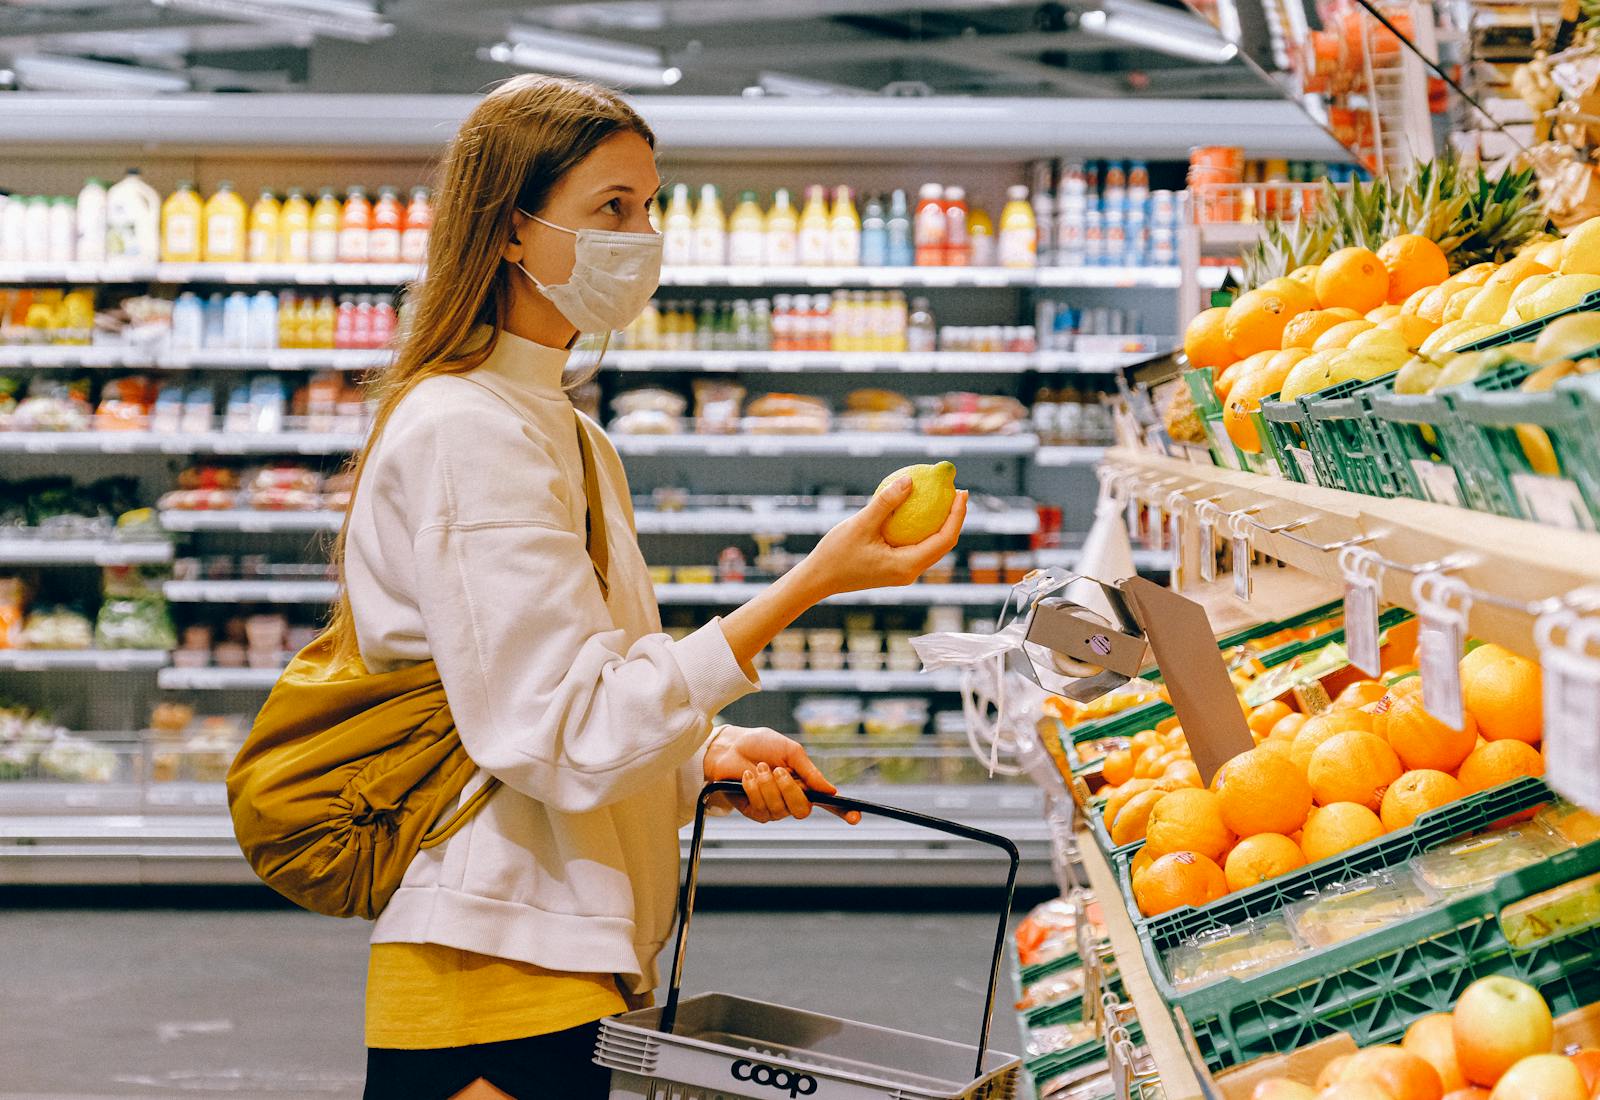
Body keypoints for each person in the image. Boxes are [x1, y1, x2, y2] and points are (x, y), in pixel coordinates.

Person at [330, 74, 967, 1099]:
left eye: (650, 205)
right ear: (508, 230)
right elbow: (559, 728)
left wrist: (697, 754)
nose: (643, 235)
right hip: (494, 961)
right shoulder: (468, 431)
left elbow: (583, 692)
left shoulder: (567, 433)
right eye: (610, 209)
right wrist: (812, 581)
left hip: (566, 951)